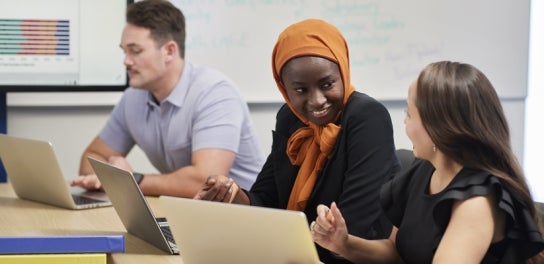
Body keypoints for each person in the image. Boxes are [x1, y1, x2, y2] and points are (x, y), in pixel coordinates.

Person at [193, 19, 400, 263]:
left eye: (327, 84)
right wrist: (233, 195)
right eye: (301, 90)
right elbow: (268, 200)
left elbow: (352, 228)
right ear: (284, 89)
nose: (317, 101)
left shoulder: (366, 117)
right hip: (297, 254)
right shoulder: (291, 117)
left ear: (343, 72)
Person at [311, 61, 544, 263]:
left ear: (437, 128)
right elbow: (396, 253)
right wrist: (343, 243)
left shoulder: (477, 200)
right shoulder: (422, 171)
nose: (405, 122)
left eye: (409, 114)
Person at [71, 0, 265, 197]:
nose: (126, 61)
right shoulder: (133, 98)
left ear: (169, 51)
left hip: (244, 216)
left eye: (135, 51)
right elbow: (91, 159)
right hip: (190, 211)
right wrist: (112, 178)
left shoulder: (215, 94)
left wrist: (131, 180)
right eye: (124, 51)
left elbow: (204, 182)